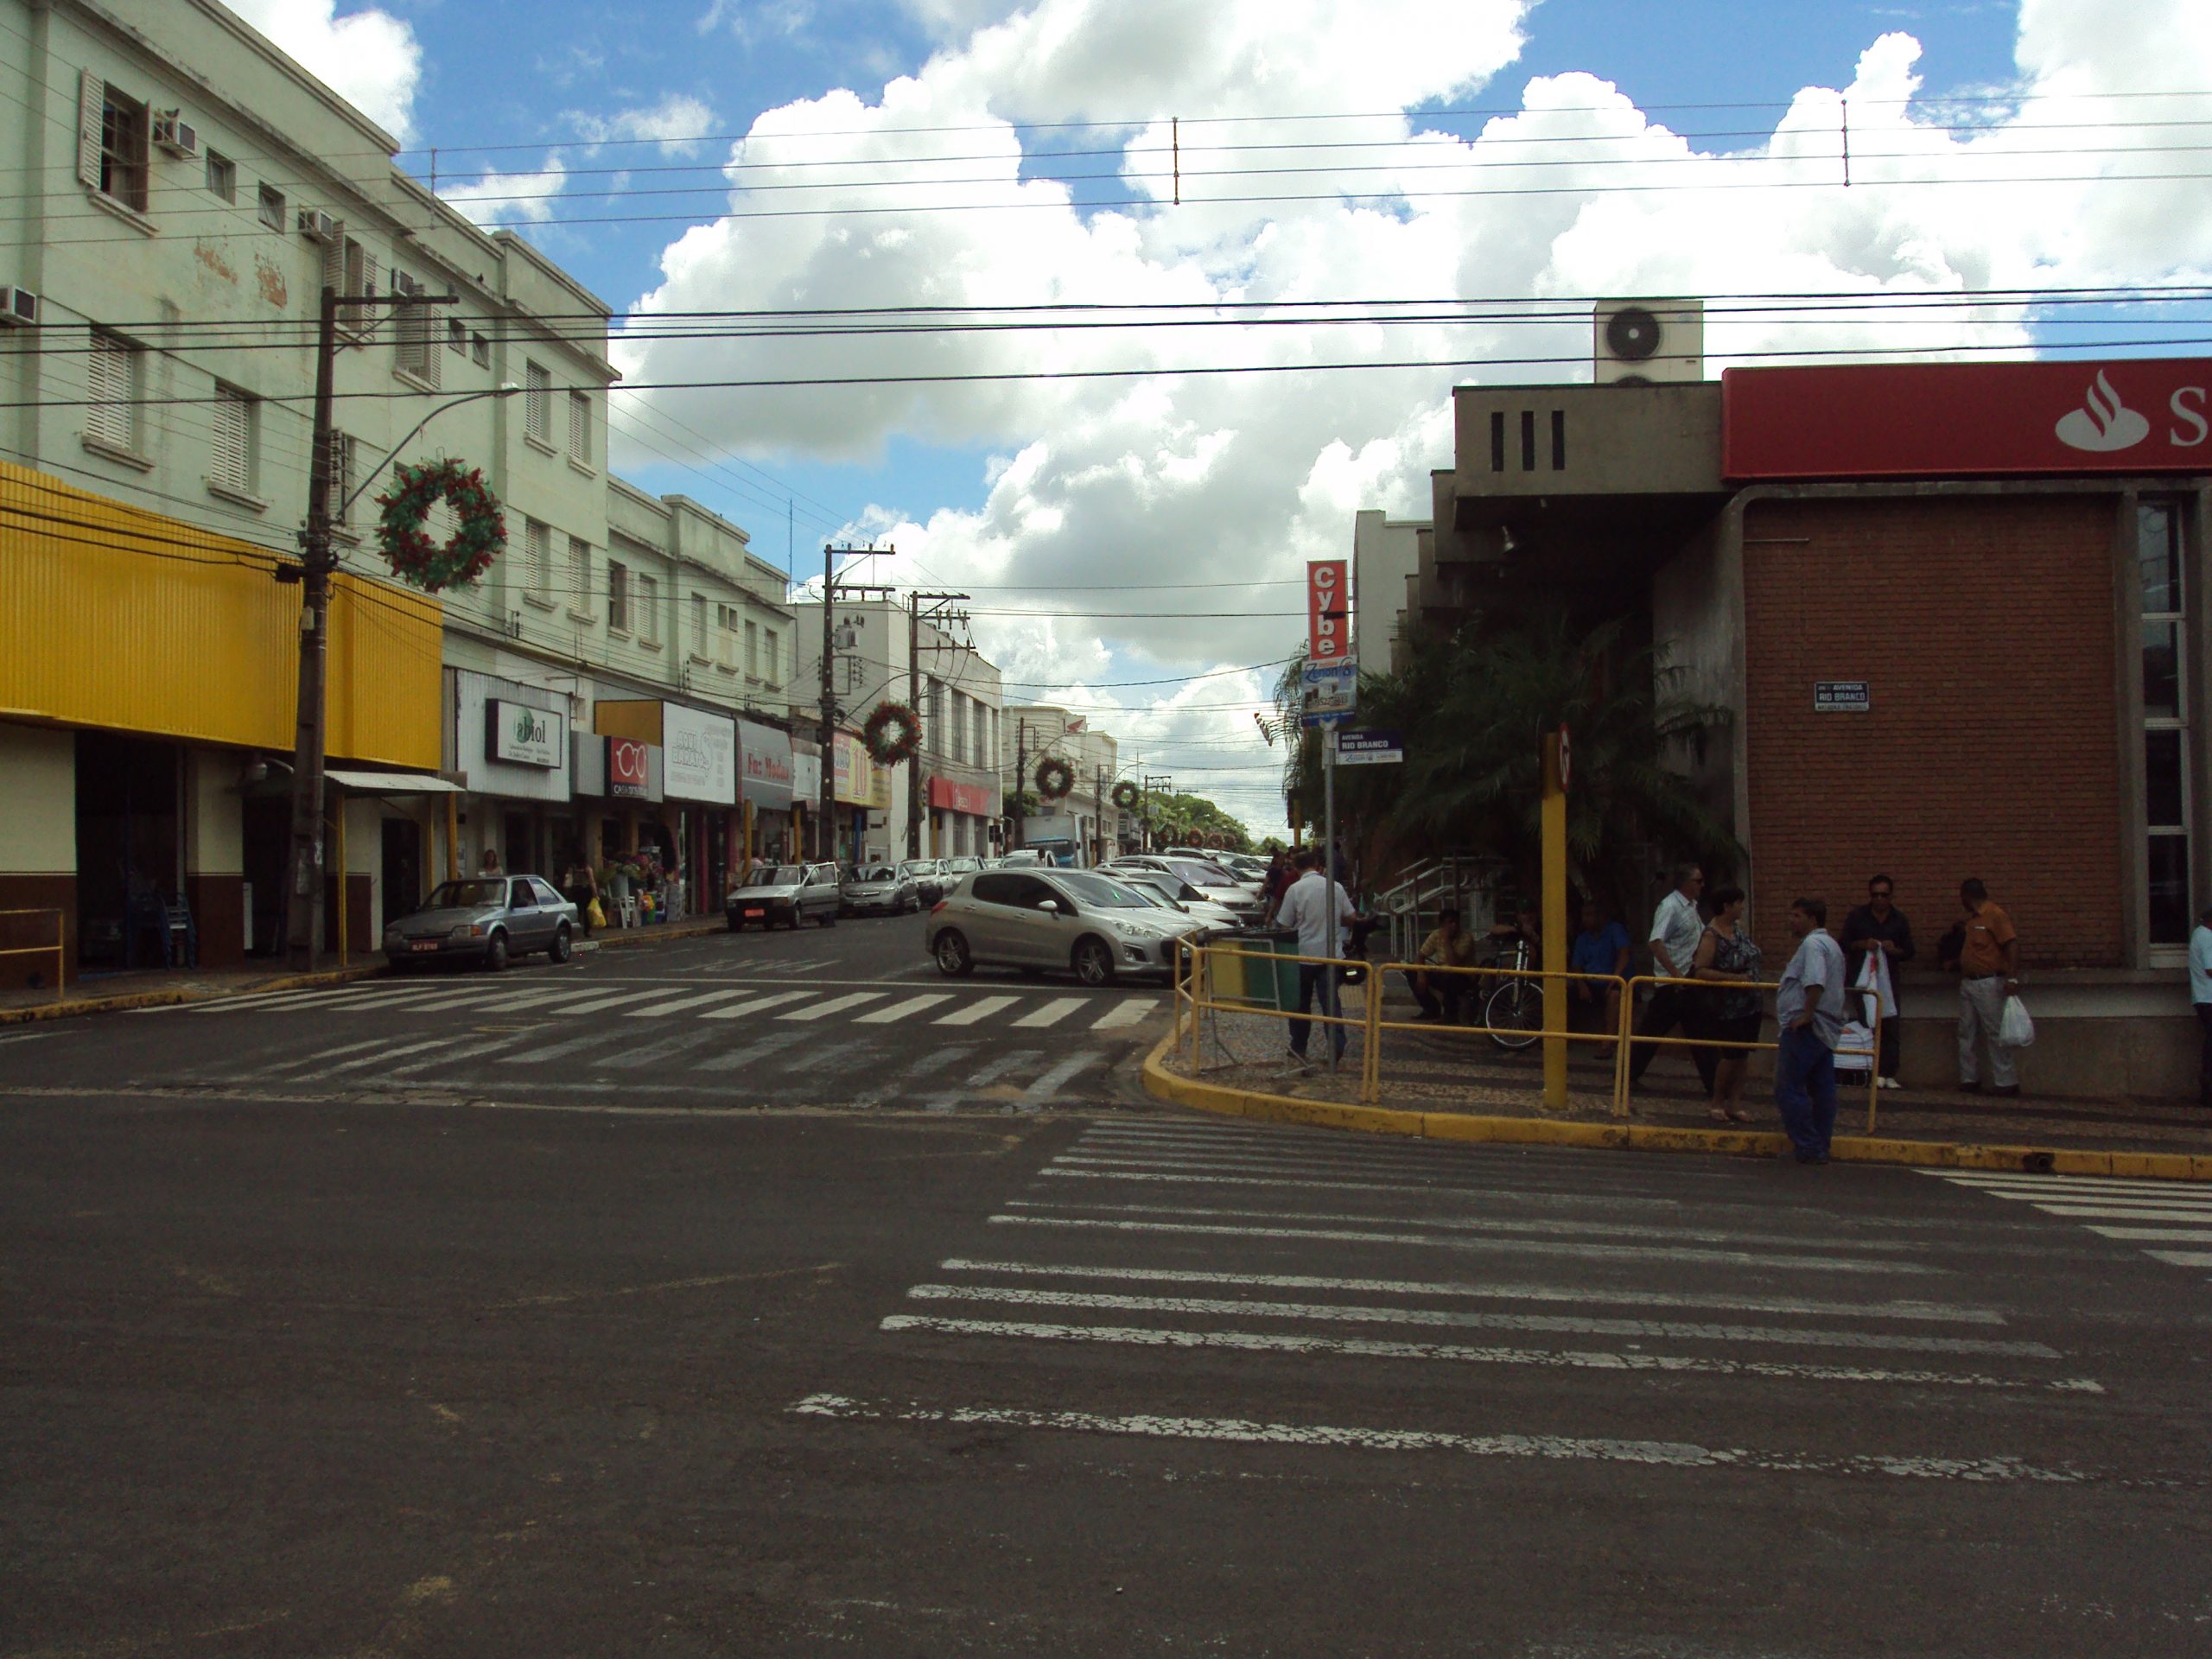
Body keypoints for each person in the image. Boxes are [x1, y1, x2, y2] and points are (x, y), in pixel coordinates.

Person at [1628, 863, 1718, 1097]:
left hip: (1689, 981)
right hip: (1674, 983)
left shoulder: (1691, 907)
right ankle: (1628, 1075)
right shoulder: (1670, 907)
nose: (1702, 886)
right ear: (1686, 883)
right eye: (1698, 881)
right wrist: (1675, 973)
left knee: (1700, 1033)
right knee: (1653, 1030)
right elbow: (1655, 941)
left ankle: (1714, 1084)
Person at [1773, 897, 1847, 1164]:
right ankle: (1820, 1144)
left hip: (1809, 1027)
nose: (1790, 921)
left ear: (1813, 920)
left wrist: (1806, 1014)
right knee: (1822, 1088)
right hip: (1826, 1028)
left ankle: (1807, 1145)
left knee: (1788, 1087)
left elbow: (1814, 981)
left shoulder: (1813, 945)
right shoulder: (1831, 945)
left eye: (1797, 916)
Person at [1274, 848, 1356, 1071]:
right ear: (1317, 866)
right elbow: (1351, 917)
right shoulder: (1335, 887)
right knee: (1331, 1004)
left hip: (1302, 955)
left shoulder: (1295, 890)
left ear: (1297, 868)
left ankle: (1299, 1047)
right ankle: (1336, 1046)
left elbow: (1284, 923)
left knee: (1300, 1006)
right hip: (1331, 957)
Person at [1691, 885, 1764, 1123]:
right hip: (1728, 1005)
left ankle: (1735, 1102)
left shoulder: (1737, 929)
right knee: (1730, 1054)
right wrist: (1734, 979)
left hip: (1749, 1004)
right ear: (1727, 906)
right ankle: (1717, 1101)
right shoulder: (1712, 935)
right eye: (1739, 903)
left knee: (1742, 1055)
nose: (1742, 907)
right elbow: (1700, 971)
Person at [1841, 875, 1916, 1090]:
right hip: (1863, 981)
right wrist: (1863, 944)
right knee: (1868, 1024)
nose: (1879, 899)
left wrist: (1894, 950)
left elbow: (1910, 951)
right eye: (1875, 895)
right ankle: (1869, 1070)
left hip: (1888, 981)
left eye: (1884, 895)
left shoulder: (1899, 920)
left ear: (1891, 896)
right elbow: (1844, 943)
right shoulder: (1857, 917)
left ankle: (1888, 1072)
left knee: (1891, 1025)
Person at [1955, 877, 2021, 1098]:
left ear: (1968, 896)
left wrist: (2011, 978)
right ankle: (1969, 1077)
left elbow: (2010, 944)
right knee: (1966, 1031)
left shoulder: (1995, 915)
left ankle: (2006, 1081)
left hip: (1989, 981)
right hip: (1969, 981)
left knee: (1995, 1032)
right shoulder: (1973, 920)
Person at [1567, 895, 1631, 1058]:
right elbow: (1577, 965)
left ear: (1601, 916)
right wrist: (1581, 985)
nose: (1586, 919)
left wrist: (1614, 978)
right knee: (1565, 993)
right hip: (1591, 981)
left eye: (1590, 915)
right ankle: (1559, 1037)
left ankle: (1607, 1043)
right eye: (1584, 915)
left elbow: (1623, 954)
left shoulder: (1615, 930)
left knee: (1615, 996)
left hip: (1613, 979)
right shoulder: (1583, 938)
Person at [1406, 908, 1478, 1023]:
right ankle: (1431, 1009)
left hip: (1463, 976)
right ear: (1442, 924)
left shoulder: (1466, 938)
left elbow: (1454, 963)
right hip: (1443, 972)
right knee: (1410, 971)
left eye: (1456, 922)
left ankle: (1450, 1014)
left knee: (1451, 976)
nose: (1454, 925)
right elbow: (1420, 955)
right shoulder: (1436, 934)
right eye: (1450, 922)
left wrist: (1446, 941)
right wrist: (1421, 975)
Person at [2190, 904, 2212, 1109]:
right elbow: (2211, 969)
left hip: (2203, 997)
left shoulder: (2199, 935)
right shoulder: (2207, 937)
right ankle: (2208, 1088)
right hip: (2209, 997)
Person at [563, 857, 600, 938]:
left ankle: (575, 929)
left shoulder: (572, 869)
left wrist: (567, 890)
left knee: (577, 911)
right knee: (587, 911)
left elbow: (568, 879)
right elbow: (591, 880)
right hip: (585, 890)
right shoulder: (587, 869)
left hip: (575, 890)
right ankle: (586, 930)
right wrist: (595, 893)